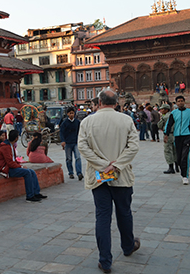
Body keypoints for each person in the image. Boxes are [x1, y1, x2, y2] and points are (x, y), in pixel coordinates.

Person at [77, 88, 140, 273]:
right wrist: (116, 165)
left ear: (99, 102)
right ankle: (128, 246)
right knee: (124, 213)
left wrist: (103, 164)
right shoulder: (126, 119)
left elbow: (83, 147)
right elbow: (133, 147)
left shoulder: (88, 122)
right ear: (116, 103)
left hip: (99, 176)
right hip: (121, 175)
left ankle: (105, 261)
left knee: (102, 217)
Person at [0, 129, 47, 202]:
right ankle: (30, 196)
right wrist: (20, 167)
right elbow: (10, 162)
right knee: (27, 173)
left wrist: (19, 165)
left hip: (10, 166)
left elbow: (13, 160)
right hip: (5, 168)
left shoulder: (10, 146)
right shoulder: (5, 147)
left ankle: (36, 192)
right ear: (16, 138)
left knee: (31, 171)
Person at [164, 95, 190, 185]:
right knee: (179, 157)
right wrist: (166, 134)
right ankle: (182, 170)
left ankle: (185, 176)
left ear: (184, 102)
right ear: (176, 103)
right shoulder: (174, 113)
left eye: (182, 101)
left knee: (185, 156)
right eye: (178, 101)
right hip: (177, 136)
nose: (180, 102)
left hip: (187, 136)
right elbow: (169, 124)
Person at [59, 107, 83, 180]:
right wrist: (63, 141)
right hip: (68, 143)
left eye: (72, 113)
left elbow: (80, 132)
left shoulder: (77, 122)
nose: (71, 114)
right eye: (70, 113)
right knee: (69, 159)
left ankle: (79, 173)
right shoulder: (64, 123)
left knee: (78, 157)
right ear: (67, 114)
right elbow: (61, 132)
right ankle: (71, 173)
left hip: (76, 142)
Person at [157, 103, 178, 174]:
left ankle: (171, 167)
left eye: (162, 109)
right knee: (175, 150)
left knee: (168, 151)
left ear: (166, 110)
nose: (161, 110)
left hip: (167, 135)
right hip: (175, 134)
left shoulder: (165, 117)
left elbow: (159, 125)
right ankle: (177, 166)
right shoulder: (174, 115)